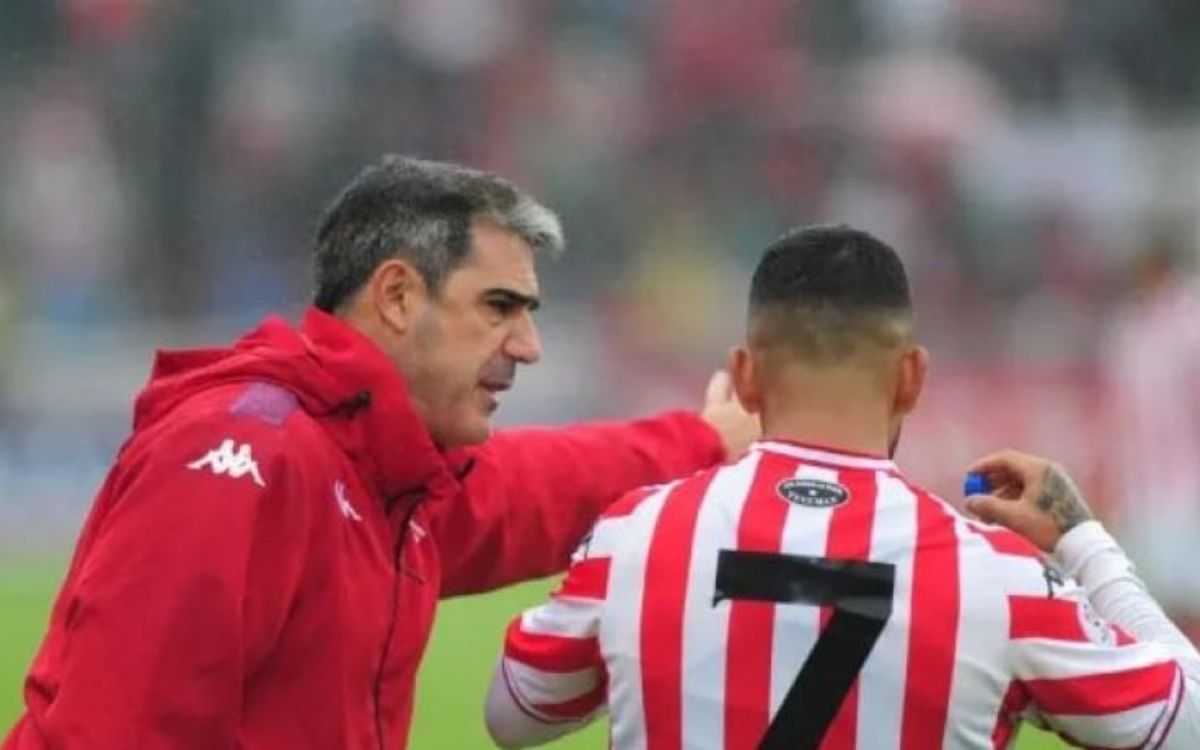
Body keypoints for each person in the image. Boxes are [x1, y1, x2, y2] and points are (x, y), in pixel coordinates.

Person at [2, 155, 758, 749]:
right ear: (397, 296)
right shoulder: (246, 455)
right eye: (500, 307)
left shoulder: (379, 473)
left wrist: (707, 441)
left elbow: (532, 488)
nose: (529, 346)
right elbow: (114, 734)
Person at [486, 225, 1200, 749]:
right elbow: (1186, 719)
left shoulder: (632, 537)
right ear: (913, 377)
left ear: (745, 376)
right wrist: (1083, 539)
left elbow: (512, 715)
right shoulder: (1003, 580)